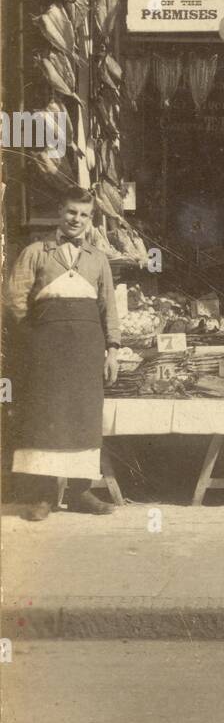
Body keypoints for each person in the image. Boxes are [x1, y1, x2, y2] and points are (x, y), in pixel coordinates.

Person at [7, 190, 121, 521]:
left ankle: (81, 492)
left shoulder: (97, 259)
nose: (76, 220)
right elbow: (14, 298)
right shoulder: (36, 252)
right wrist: (36, 336)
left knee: (83, 417)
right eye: (71, 212)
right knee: (46, 416)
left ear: (90, 220)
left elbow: (108, 307)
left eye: (83, 215)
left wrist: (112, 349)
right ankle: (43, 496)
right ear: (60, 211)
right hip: (45, 350)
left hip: (86, 350)